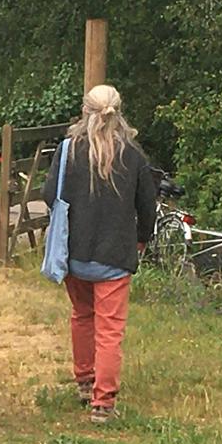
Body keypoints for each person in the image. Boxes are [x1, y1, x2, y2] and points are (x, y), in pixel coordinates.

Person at [41, 85, 156, 424]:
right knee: (109, 329)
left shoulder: (68, 151)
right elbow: (147, 206)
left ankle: (84, 379)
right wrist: (141, 240)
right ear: (118, 113)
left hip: (74, 252)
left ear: (85, 111)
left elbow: (49, 194)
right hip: (115, 255)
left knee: (82, 315)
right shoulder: (132, 155)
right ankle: (103, 403)